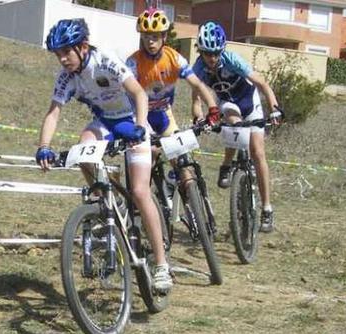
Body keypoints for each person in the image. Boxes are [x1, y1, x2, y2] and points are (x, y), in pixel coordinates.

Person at [36, 18, 173, 293]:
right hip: (106, 123)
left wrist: (139, 127)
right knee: (82, 149)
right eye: (58, 54)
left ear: (83, 47)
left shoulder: (104, 60)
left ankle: (161, 265)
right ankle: (106, 199)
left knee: (140, 190)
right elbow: (54, 113)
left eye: (66, 52)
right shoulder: (66, 78)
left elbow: (138, 93)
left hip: (133, 119)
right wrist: (44, 146)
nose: (62, 59)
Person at [191, 21, 282, 232]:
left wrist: (275, 108)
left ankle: (267, 207)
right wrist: (197, 113)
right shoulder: (198, 67)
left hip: (250, 101)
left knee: (258, 153)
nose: (212, 59)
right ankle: (227, 164)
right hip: (229, 103)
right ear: (201, 51)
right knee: (234, 125)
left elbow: (262, 84)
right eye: (207, 54)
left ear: (222, 50)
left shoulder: (232, 60)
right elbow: (195, 94)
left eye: (215, 53)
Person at [126, 8, 220, 140]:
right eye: (146, 36)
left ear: (164, 36)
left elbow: (197, 84)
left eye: (155, 36)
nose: (150, 41)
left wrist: (212, 107)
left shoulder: (175, 59)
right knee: (150, 151)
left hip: (163, 113)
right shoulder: (133, 62)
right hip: (138, 114)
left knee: (180, 154)